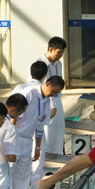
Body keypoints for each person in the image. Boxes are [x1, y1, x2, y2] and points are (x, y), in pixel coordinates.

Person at [11, 72, 63, 189]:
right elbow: (13, 116)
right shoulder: (29, 93)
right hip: (16, 137)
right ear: (48, 84)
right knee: (10, 171)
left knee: (23, 174)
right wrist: (10, 139)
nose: (53, 95)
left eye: (56, 93)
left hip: (29, 140)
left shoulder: (46, 100)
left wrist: (38, 147)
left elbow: (40, 125)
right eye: (54, 91)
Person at [37, 36, 66, 176]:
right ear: (50, 49)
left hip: (56, 99)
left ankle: (57, 162)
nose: (60, 56)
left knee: (58, 130)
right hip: (45, 100)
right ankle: (45, 166)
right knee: (46, 133)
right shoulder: (40, 64)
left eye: (62, 53)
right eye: (59, 52)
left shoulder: (58, 64)